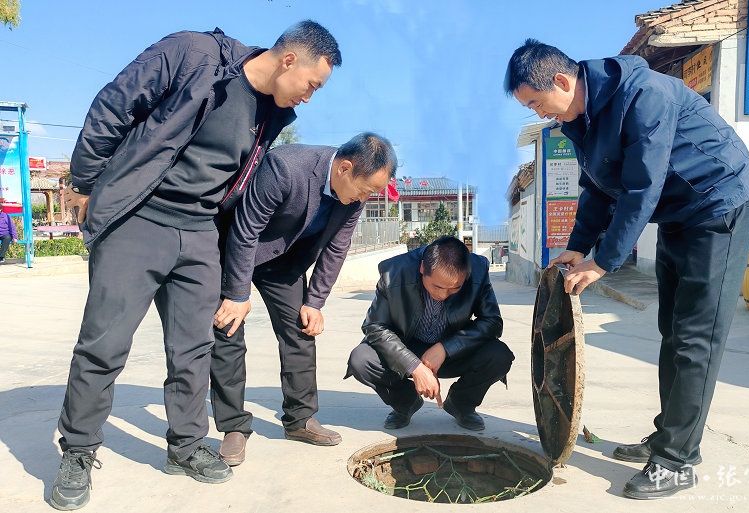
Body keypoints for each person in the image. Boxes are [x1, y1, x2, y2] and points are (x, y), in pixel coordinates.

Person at [51, 21, 341, 511]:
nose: (310, 97)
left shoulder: (272, 113)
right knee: (105, 344)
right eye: (312, 84)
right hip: (138, 216)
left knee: (194, 348)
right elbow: (114, 104)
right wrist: (84, 183)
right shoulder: (197, 55)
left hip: (202, 230)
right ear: (289, 59)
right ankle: (78, 451)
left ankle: (185, 445)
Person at [504, 39, 749, 499]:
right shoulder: (580, 119)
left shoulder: (644, 96)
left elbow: (642, 186)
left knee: (696, 337)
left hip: (719, 206)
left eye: (537, 103)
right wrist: (578, 246)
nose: (539, 113)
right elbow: (597, 188)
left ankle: (677, 461)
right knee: (672, 331)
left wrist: (603, 261)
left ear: (561, 81)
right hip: (679, 215)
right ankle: (671, 436)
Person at [211, 133, 397, 466]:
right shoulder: (286, 167)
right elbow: (246, 228)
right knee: (229, 330)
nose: (365, 197)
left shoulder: (353, 197)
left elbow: (337, 247)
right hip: (236, 253)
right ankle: (233, 427)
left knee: (301, 331)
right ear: (344, 168)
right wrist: (238, 294)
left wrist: (315, 302)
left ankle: (300, 419)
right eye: (366, 189)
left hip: (285, 263)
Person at [346, 236, 514, 432]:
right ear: (422, 269)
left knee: (499, 355)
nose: (443, 295)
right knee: (361, 359)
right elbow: (374, 326)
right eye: (437, 287)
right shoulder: (394, 272)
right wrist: (413, 365)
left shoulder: (477, 270)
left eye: (455, 288)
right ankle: (406, 403)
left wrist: (446, 348)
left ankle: (461, 404)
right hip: (406, 347)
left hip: (454, 350)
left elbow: (492, 322)